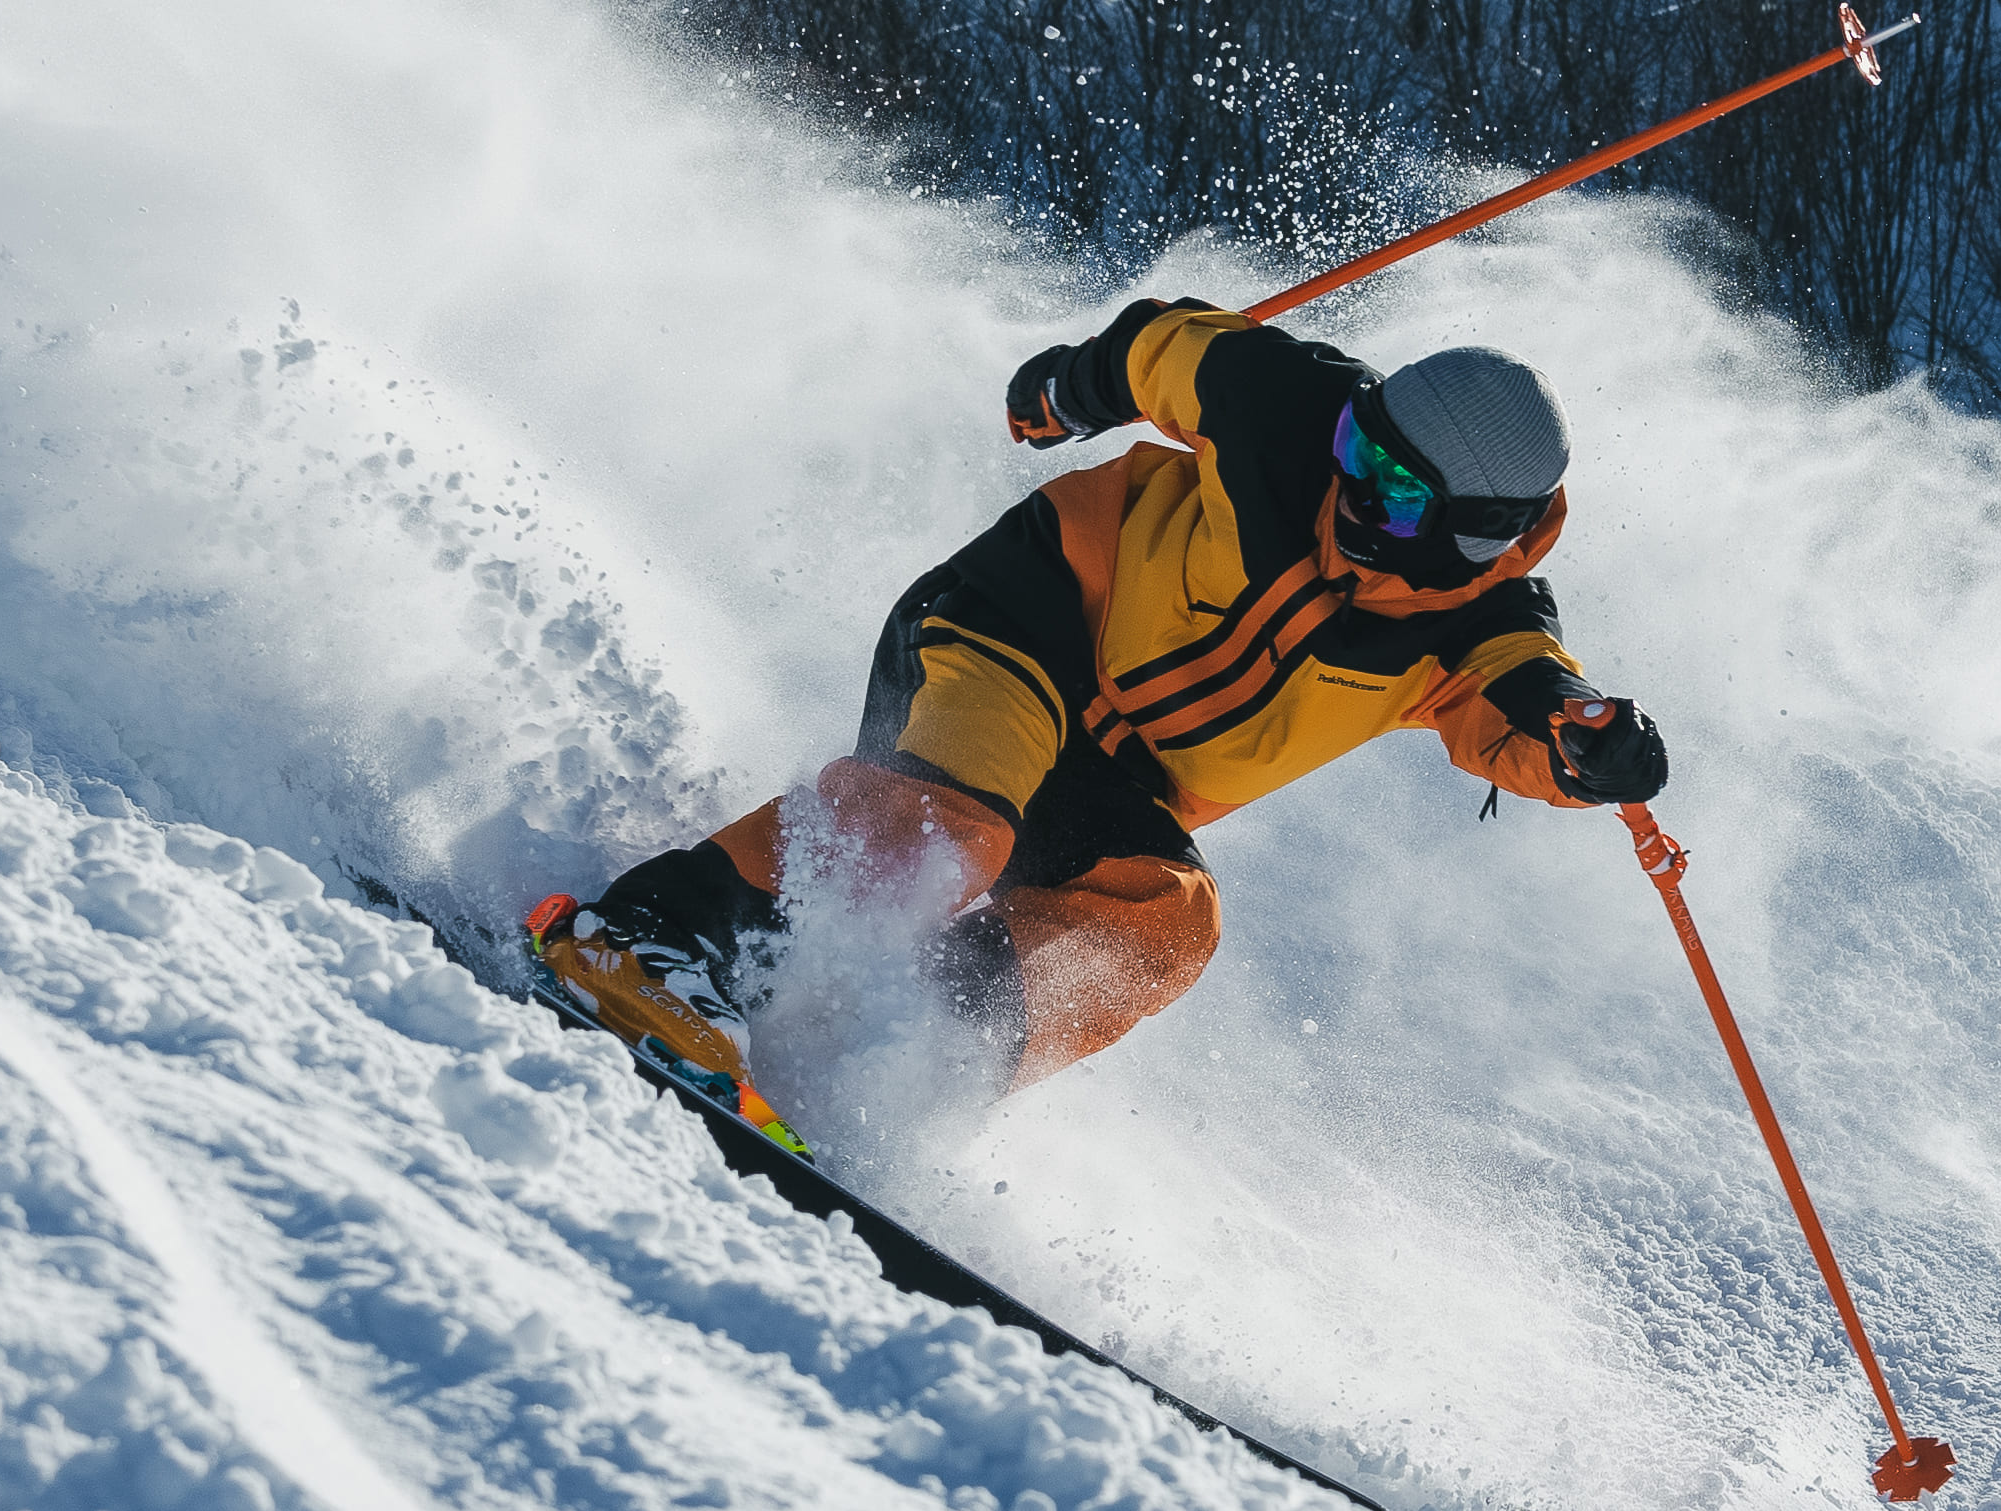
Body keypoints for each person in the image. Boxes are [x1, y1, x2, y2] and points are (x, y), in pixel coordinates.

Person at [526, 298, 1668, 1150]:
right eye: (1361, 448)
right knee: (954, 826)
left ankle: (883, 1055)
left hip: (1117, 782)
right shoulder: (1289, 405)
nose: (1357, 486)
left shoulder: (1484, 627)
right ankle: (648, 939)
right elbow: (1165, 345)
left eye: (1400, 491)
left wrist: (1589, 746)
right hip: (1021, 620)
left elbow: (1530, 710)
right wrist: (1070, 387)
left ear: (1476, 535)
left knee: (1170, 918)